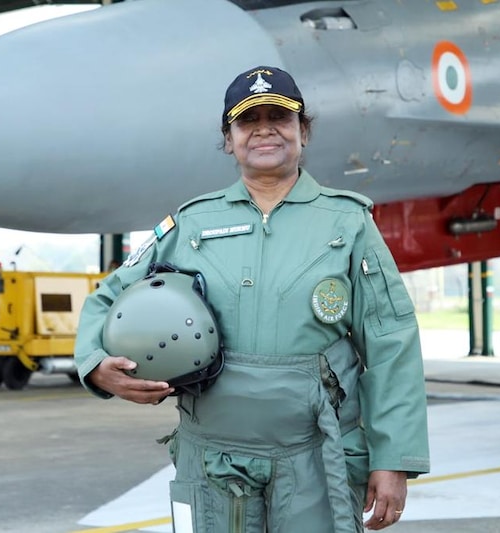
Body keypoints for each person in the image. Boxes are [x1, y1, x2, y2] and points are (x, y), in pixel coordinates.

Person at [74, 65, 429, 532]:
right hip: (212, 461)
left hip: (315, 456)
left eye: (279, 118)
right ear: (228, 139)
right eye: (247, 121)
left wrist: (392, 458)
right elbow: (109, 296)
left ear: (303, 131)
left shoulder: (348, 222)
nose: (264, 130)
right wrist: (95, 364)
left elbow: (391, 340)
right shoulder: (191, 224)